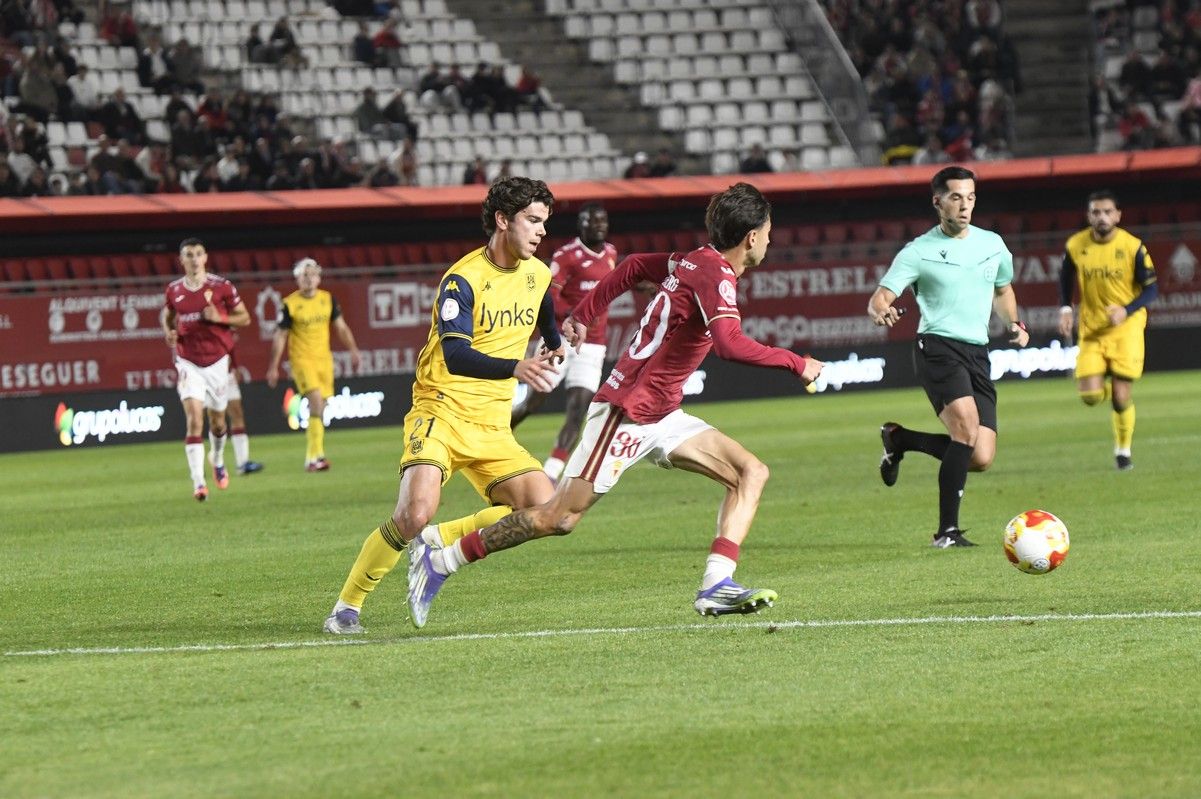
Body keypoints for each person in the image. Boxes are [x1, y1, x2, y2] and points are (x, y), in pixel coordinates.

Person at [405, 182, 825, 627]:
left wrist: (583, 314)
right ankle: (442, 560)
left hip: (663, 414)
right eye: (769, 232)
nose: (770, 240)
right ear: (752, 237)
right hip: (627, 412)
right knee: (558, 518)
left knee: (750, 472)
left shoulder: (694, 261)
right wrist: (797, 363)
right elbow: (729, 343)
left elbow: (633, 266)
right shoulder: (714, 274)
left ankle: (716, 584)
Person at [322, 176, 566, 634]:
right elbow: (456, 355)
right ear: (502, 220)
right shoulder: (463, 279)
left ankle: (438, 543)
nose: (542, 231)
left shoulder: (538, 274)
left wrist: (559, 340)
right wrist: (517, 367)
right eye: (533, 221)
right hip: (442, 412)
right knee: (413, 513)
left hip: (492, 425)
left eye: (544, 222)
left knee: (548, 508)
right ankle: (345, 608)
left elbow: (547, 317)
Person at [868, 165, 1030, 548]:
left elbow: (1003, 289)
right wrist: (881, 311)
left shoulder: (993, 244)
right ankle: (947, 532)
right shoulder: (918, 252)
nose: (965, 205)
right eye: (956, 197)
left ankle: (900, 439)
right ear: (938, 202)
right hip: (938, 347)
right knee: (966, 431)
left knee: (980, 456)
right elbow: (880, 298)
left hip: (977, 352)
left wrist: (1013, 322)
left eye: (970, 197)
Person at [511, 202, 618, 480]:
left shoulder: (610, 253)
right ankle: (495, 436)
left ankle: (551, 473)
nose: (599, 226)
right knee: (533, 403)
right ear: (581, 224)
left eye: (602, 220)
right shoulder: (567, 256)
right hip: (559, 340)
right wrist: (575, 317)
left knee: (578, 409)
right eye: (592, 221)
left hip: (593, 345)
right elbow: (549, 296)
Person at [1057, 190, 1158, 471]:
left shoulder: (1133, 247)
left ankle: (1123, 452)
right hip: (1092, 328)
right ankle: (1108, 387)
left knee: (1121, 396)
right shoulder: (1076, 245)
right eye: (1096, 212)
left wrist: (1127, 309)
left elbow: (1152, 289)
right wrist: (1065, 308)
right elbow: (1065, 277)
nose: (1101, 217)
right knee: (1090, 397)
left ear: (1118, 215)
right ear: (1089, 216)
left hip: (1126, 328)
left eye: (1107, 212)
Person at [161, 238, 251, 501]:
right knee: (194, 419)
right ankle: (199, 483)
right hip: (188, 361)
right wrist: (169, 332)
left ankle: (218, 459)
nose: (194, 259)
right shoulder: (174, 290)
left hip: (217, 362)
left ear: (205, 258)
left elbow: (245, 318)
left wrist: (220, 317)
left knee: (218, 422)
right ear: (182, 260)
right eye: (189, 255)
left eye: (198, 254)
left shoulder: (222, 286)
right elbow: (167, 316)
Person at [266, 258, 363, 471]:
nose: (309, 279)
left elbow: (341, 328)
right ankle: (314, 458)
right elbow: (280, 336)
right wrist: (273, 366)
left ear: (319, 277)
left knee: (322, 406)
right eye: (304, 275)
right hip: (302, 360)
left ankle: (315, 455)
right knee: (316, 401)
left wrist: (354, 350)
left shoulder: (327, 300)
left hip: (324, 361)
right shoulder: (290, 304)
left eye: (312, 274)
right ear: (297, 279)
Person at [224, 343, 265, 475]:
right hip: (203, 372)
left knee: (237, 413)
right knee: (208, 418)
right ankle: (212, 462)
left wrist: (235, 366)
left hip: (225, 372)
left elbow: (227, 341)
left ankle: (242, 463)